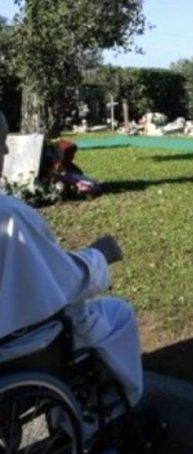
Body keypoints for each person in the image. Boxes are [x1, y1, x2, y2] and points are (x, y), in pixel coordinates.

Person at [0, 110, 143, 406]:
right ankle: (115, 408)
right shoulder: (10, 215)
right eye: (1, 143)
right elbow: (61, 283)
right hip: (22, 349)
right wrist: (99, 255)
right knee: (118, 313)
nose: (5, 152)